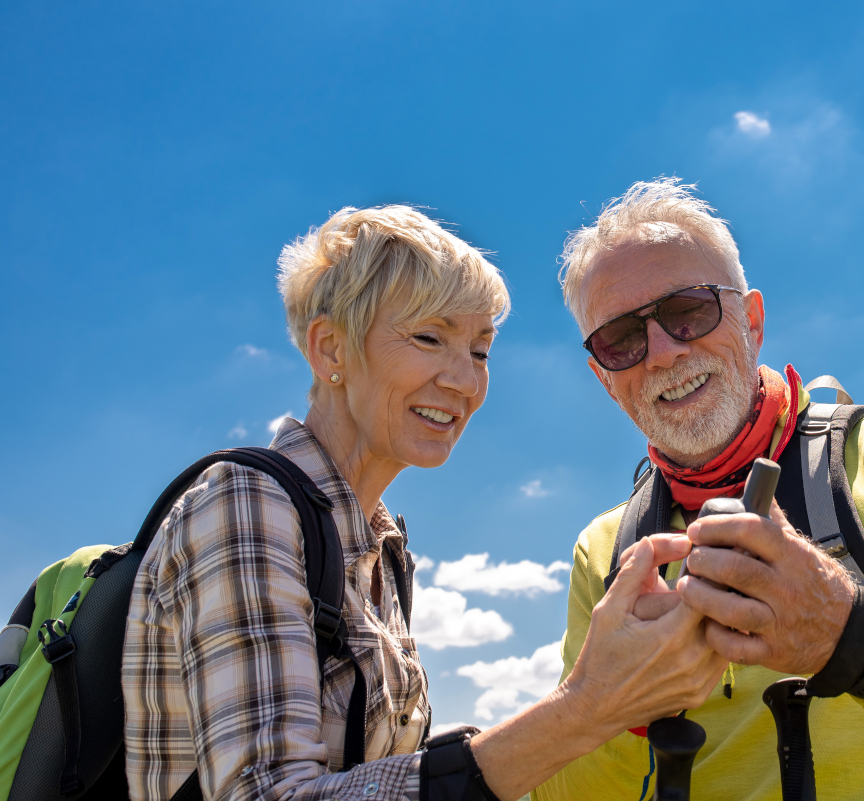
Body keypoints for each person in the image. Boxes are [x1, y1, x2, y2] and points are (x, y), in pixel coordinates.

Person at [121, 205, 726, 801]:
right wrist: (589, 707)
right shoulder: (246, 505)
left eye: (480, 351)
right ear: (330, 350)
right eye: (429, 337)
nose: (464, 381)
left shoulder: (377, 548)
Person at [532, 179, 864, 800]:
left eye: (688, 311)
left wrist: (852, 635)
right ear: (604, 378)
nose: (661, 353)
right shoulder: (607, 551)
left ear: (752, 321)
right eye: (621, 339)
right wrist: (613, 707)